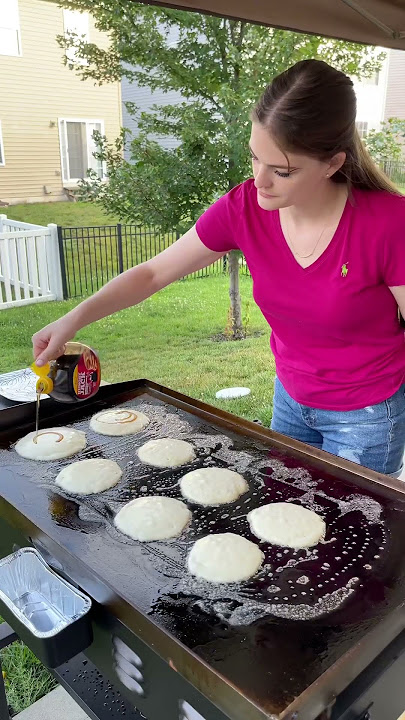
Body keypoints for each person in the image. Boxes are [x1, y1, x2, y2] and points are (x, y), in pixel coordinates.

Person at [33, 59, 405, 477]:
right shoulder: (244, 207)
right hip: (291, 400)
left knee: (350, 532)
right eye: (254, 158)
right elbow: (154, 273)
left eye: (282, 171)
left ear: (333, 164)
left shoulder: (389, 223)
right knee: (285, 518)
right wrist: (74, 318)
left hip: (366, 416)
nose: (260, 181)